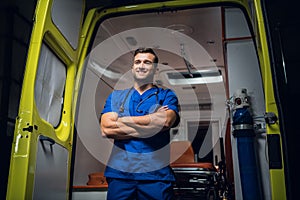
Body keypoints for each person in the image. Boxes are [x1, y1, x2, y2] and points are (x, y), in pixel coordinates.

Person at [100, 47, 180, 200]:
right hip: (120, 174)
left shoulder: (166, 95)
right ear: (132, 67)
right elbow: (107, 129)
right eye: (137, 62)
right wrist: (151, 122)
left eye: (147, 62)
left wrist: (121, 121)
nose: (141, 65)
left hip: (156, 176)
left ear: (155, 69)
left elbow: (165, 122)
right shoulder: (117, 97)